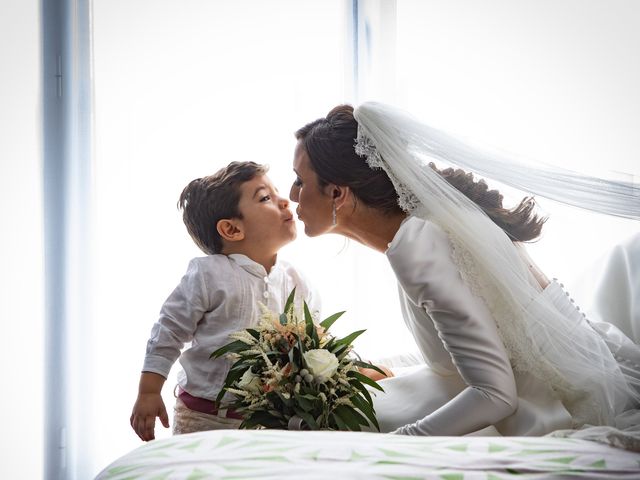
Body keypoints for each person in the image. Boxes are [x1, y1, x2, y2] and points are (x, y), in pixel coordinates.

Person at [289, 102, 640, 437]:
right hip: (538, 390)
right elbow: (457, 352)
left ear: (337, 193)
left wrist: (399, 443)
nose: (291, 195)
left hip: (545, 412)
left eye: (300, 181)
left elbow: (495, 395)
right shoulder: (426, 228)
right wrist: (362, 369)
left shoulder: (418, 246)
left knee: (359, 423)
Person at [130, 161, 319, 441]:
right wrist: (148, 391)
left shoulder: (296, 280)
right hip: (203, 418)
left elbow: (312, 343)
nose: (284, 200)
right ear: (231, 230)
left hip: (268, 419)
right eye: (265, 197)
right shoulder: (209, 274)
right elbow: (168, 331)